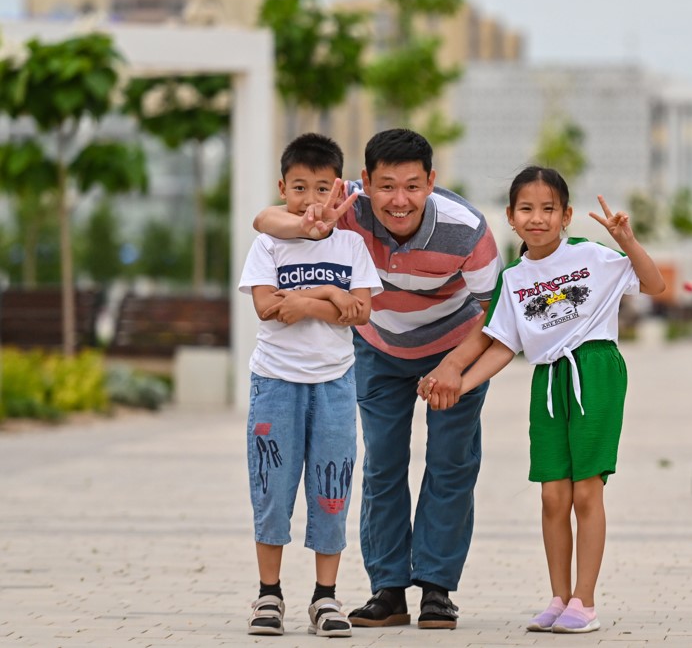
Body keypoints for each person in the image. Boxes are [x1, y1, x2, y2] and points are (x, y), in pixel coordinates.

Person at [253, 128, 502, 630]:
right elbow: (264, 219)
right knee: (383, 464)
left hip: (454, 348)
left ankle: (436, 589)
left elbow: (495, 313)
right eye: (386, 186)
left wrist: (455, 367)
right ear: (364, 182)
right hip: (379, 347)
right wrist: (307, 226)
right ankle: (388, 589)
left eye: (412, 186)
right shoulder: (345, 204)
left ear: (431, 181)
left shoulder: (468, 229)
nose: (399, 200)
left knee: (451, 463)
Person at [420, 166, 666, 633]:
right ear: (511, 217)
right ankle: (559, 598)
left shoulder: (592, 255)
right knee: (553, 495)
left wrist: (627, 241)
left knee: (586, 491)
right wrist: (458, 386)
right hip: (548, 379)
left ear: (566, 215)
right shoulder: (513, 278)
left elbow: (654, 285)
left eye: (548, 209)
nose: (538, 218)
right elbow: (502, 346)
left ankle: (585, 603)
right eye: (527, 209)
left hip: (595, 370)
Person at [239, 133, 383, 637]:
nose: (311, 199)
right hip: (275, 383)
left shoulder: (352, 245)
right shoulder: (269, 243)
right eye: (299, 187)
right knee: (272, 487)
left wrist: (310, 297)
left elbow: (361, 312)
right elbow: (267, 307)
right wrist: (331, 299)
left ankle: (325, 597)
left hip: (334, 385)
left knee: (331, 487)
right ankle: (269, 594)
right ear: (283, 188)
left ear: (338, 189)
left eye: (322, 188)